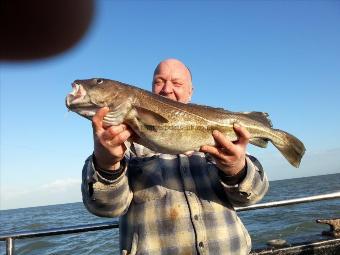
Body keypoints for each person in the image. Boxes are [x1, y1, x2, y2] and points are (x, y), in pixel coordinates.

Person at [81, 58, 269, 255]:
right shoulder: (124, 140)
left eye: (177, 83)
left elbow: (253, 196)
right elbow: (105, 208)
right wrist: (106, 163)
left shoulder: (220, 136)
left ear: (190, 91)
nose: (167, 89)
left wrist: (236, 169)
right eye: (159, 81)